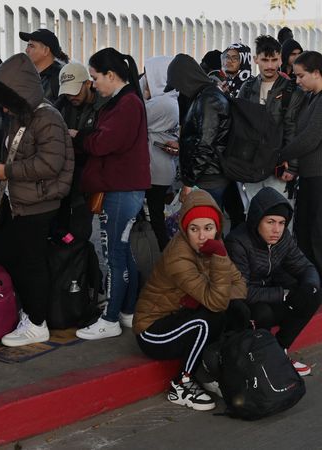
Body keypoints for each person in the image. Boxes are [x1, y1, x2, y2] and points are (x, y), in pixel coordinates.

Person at [0, 53, 73, 346]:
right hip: (21, 201)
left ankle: (36, 322)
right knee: (14, 258)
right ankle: (31, 315)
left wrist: (6, 171)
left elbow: (50, 164)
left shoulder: (47, 117)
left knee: (31, 264)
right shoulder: (24, 115)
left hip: (38, 203)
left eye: (7, 99)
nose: (3, 108)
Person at [134, 190, 247, 411]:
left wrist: (217, 291)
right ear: (185, 230)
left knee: (237, 310)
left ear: (217, 229)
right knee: (207, 321)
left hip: (181, 316)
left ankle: (208, 371)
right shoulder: (179, 255)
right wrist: (221, 260)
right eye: (194, 229)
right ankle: (181, 384)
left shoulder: (215, 245)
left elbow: (241, 286)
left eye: (208, 228)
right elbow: (215, 301)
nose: (202, 236)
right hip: (153, 331)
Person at [74, 48, 150, 340]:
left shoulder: (127, 104)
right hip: (124, 189)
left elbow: (104, 143)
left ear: (110, 74)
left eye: (95, 77)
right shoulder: (126, 101)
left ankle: (110, 319)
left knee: (114, 255)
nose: (93, 84)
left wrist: (80, 137)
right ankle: (127, 311)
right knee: (123, 253)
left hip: (121, 190)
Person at [277, 51, 322, 301]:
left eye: (301, 75)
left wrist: (279, 155)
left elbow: (311, 137)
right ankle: (313, 281)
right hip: (314, 172)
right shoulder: (315, 97)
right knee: (306, 227)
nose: (297, 81)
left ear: (317, 73)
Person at [225, 187, 321, 376]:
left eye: (281, 223)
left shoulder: (283, 237)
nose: (276, 229)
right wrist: (284, 295)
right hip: (239, 303)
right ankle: (262, 358)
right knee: (264, 313)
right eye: (270, 222)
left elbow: (305, 267)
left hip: (268, 290)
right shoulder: (237, 242)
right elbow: (240, 290)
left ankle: (279, 350)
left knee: (311, 296)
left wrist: (310, 287)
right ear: (256, 219)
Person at [232, 35, 304, 226]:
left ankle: (281, 256)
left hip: (280, 167)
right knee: (254, 217)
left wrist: (294, 166)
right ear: (256, 59)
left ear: (281, 59)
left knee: (281, 218)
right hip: (252, 167)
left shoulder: (291, 89)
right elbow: (241, 127)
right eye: (265, 59)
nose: (270, 65)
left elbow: (293, 129)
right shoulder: (247, 88)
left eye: (274, 60)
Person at [165, 53, 230, 207]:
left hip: (208, 179)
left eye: (178, 85)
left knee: (206, 226)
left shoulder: (208, 100)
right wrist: (183, 145)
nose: (179, 90)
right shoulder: (205, 96)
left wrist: (188, 183)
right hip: (207, 176)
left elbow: (205, 145)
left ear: (186, 79)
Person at [142, 56, 179, 250]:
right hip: (161, 167)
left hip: (156, 170)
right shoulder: (170, 99)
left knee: (156, 219)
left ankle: (163, 256)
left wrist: (141, 89)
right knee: (156, 217)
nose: (145, 79)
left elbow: (135, 115)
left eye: (148, 74)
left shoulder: (162, 103)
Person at [56, 61, 107, 191]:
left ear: (88, 83)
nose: (71, 96)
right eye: (67, 93)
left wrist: (79, 136)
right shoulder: (62, 106)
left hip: (97, 174)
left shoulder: (105, 106)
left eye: (75, 91)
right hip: (70, 173)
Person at [19, 29, 68, 103]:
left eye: (31, 46)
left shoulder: (59, 77)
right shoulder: (30, 75)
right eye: (27, 46)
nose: (26, 50)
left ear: (46, 51)